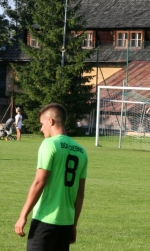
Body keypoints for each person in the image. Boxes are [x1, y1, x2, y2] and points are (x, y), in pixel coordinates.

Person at [14, 103, 88, 251]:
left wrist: (23, 215)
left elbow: (39, 182)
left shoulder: (49, 144)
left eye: (42, 124)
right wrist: (74, 225)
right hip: (66, 222)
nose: (41, 129)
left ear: (50, 121)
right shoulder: (81, 151)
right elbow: (80, 193)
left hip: (45, 220)